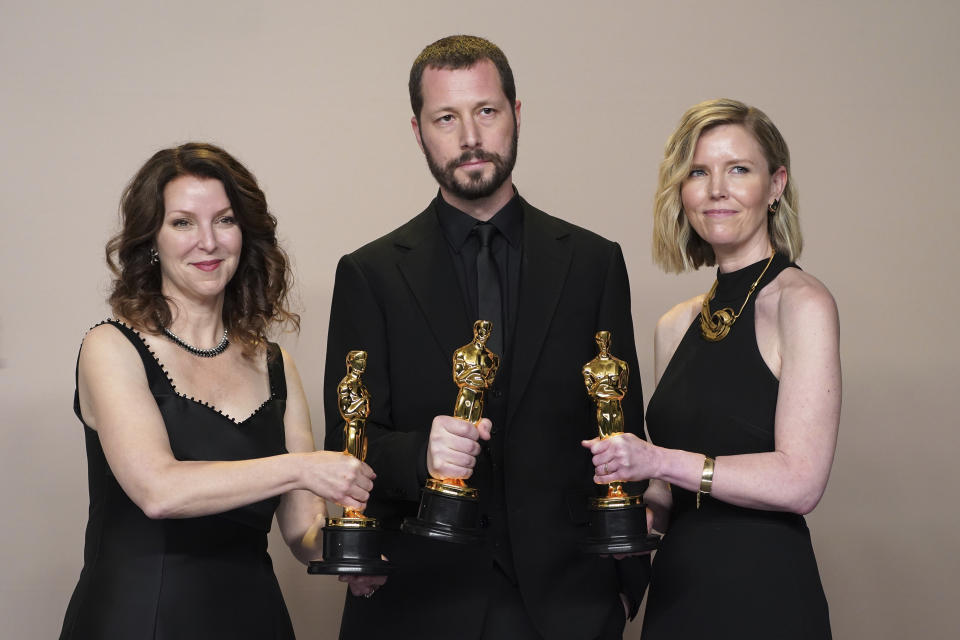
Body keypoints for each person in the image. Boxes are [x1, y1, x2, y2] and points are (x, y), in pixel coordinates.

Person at [324, 35, 649, 640]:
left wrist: (626, 582)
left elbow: (621, 424)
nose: (469, 136)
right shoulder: (369, 274)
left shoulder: (594, 262)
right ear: (418, 131)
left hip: (568, 602)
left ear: (516, 114)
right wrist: (422, 450)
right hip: (419, 601)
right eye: (446, 118)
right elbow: (349, 440)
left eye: (486, 111)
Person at [59, 143, 376, 639]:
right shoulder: (110, 347)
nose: (207, 242)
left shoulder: (276, 365)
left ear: (244, 236)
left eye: (224, 220)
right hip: (139, 621)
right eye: (183, 222)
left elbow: (301, 530)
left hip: (255, 619)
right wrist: (304, 467)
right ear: (151, 240)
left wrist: (360, 549)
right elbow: (159, 491)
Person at [583, 98, 839, 638]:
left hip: (766, 590)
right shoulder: (675, 325)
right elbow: (664, 496)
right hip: (678, 592)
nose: (716, 189)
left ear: (776, 185)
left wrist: (657, 459)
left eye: (738, 169)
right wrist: (619, 506)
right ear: (681, 191)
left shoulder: (803, 302)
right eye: (698, 172)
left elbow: (801, 481)